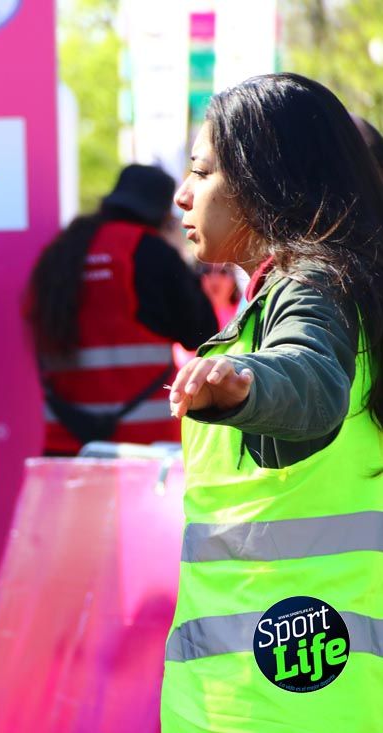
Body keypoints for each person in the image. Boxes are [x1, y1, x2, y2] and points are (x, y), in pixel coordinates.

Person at [162, 73, 383, 732]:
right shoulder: (342, 291)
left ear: (263, 184)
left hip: (275, 704)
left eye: (201, 172)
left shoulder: (310, 287)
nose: (181, 194)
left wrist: (246, 384)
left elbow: (311, 383)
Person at [28, 163, 218, 455]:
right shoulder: (151, 251)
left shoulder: (62, 251)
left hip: (67, 444)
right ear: (161, 214)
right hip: (142, 449)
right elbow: (203, 332)